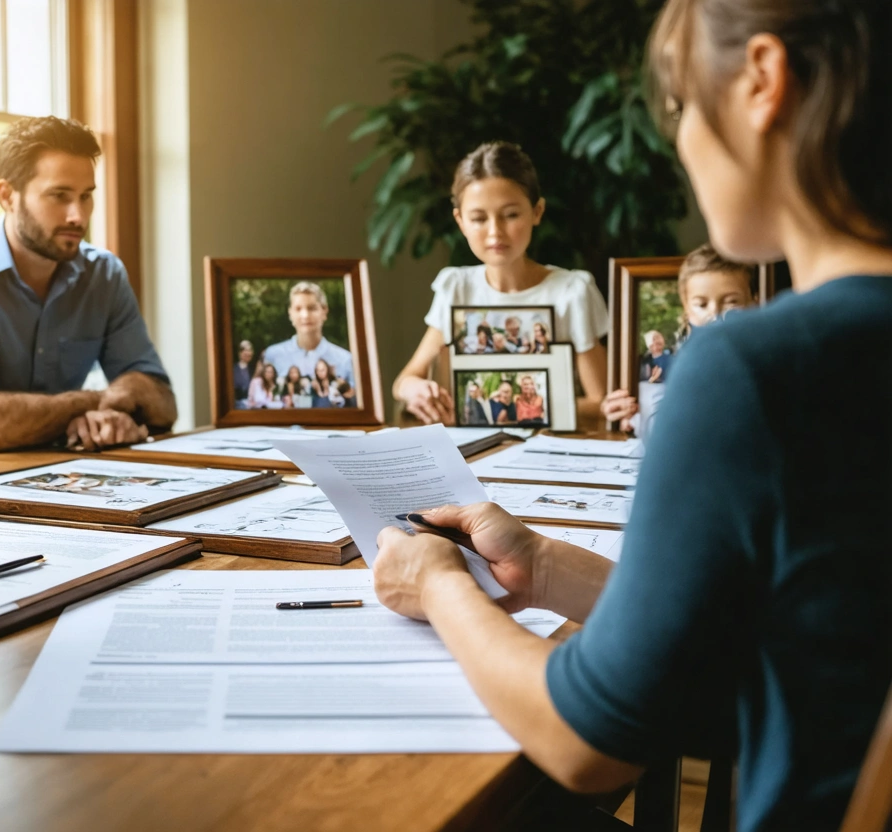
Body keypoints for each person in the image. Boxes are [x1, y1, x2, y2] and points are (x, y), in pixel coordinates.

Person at [372, 2, 892, 830]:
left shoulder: (759, 370)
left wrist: (438, 588)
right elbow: (814, 652)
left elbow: (587, 741)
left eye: (682, 107)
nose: (683, 144)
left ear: (762, 82)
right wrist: (542, 563)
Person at [0, 116, 176, 453]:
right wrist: (102, 402)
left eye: (86, 196)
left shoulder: (104, 274)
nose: (77, 216)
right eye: (59, 196)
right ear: (7, 196)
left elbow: (163, 403)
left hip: (65, 474)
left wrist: (109, 412)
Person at [393, 141, 610, 425]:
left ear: (537, 212)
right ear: (460, 221)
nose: (495, 232)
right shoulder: (457, 287)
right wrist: (417, 390)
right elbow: (404, 381)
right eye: (479, 219)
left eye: (511, 215)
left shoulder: (571, 292)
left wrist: (524, 410)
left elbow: (602, 403)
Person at [603, 244, 757, 431]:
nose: (714, 314)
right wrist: (627, 410)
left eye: (732, 302)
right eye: (701, 304)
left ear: (754, 302)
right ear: (686, 307)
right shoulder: (677, 359)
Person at [261, 282, 355, 390]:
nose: (305, 315)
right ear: (290, 313)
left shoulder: (345, 360)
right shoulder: (272, 355)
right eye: (298, 309)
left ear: (324, 311)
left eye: (312, 308)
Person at [233, 340, 255, 405]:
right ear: (240, 352)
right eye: (246, 350)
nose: (248, 353)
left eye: (250, 350)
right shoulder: (233, 369)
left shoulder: (253, 369)